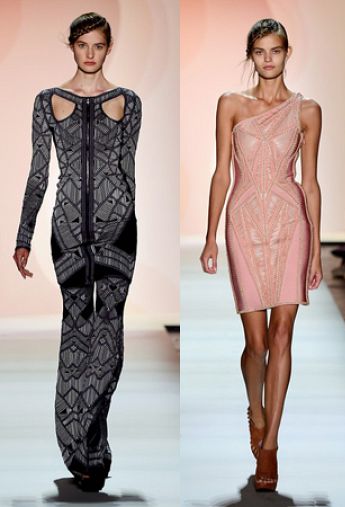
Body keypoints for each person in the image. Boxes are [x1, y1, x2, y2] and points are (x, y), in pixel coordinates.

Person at [12, 12, 141, 492]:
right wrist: (23, 235)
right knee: (76, 331)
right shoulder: (47, 102)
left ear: (109, 47)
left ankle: (91, 445)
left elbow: (128, 172)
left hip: (118, 229)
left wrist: (128, 224)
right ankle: (78, 447)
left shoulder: (129, 102)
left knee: (109, 334)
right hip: (66, 231)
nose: (90, 53)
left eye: (98, 45)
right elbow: (38, 172)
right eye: (83, 44)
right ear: (71, 46)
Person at [199, 18, 323, 492]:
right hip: (244, 222)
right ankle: (256, 407)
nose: (268, 59)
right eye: (259, 51)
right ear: (250, 55)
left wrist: (315, 248)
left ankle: (270, 444)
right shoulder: (231, 104)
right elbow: (221, 173)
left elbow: (310, 182)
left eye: (275, 50)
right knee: (257, 342)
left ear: (288, 53)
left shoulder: (307, 110)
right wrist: (210, 235)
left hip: (291, 223)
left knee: (282, 331)